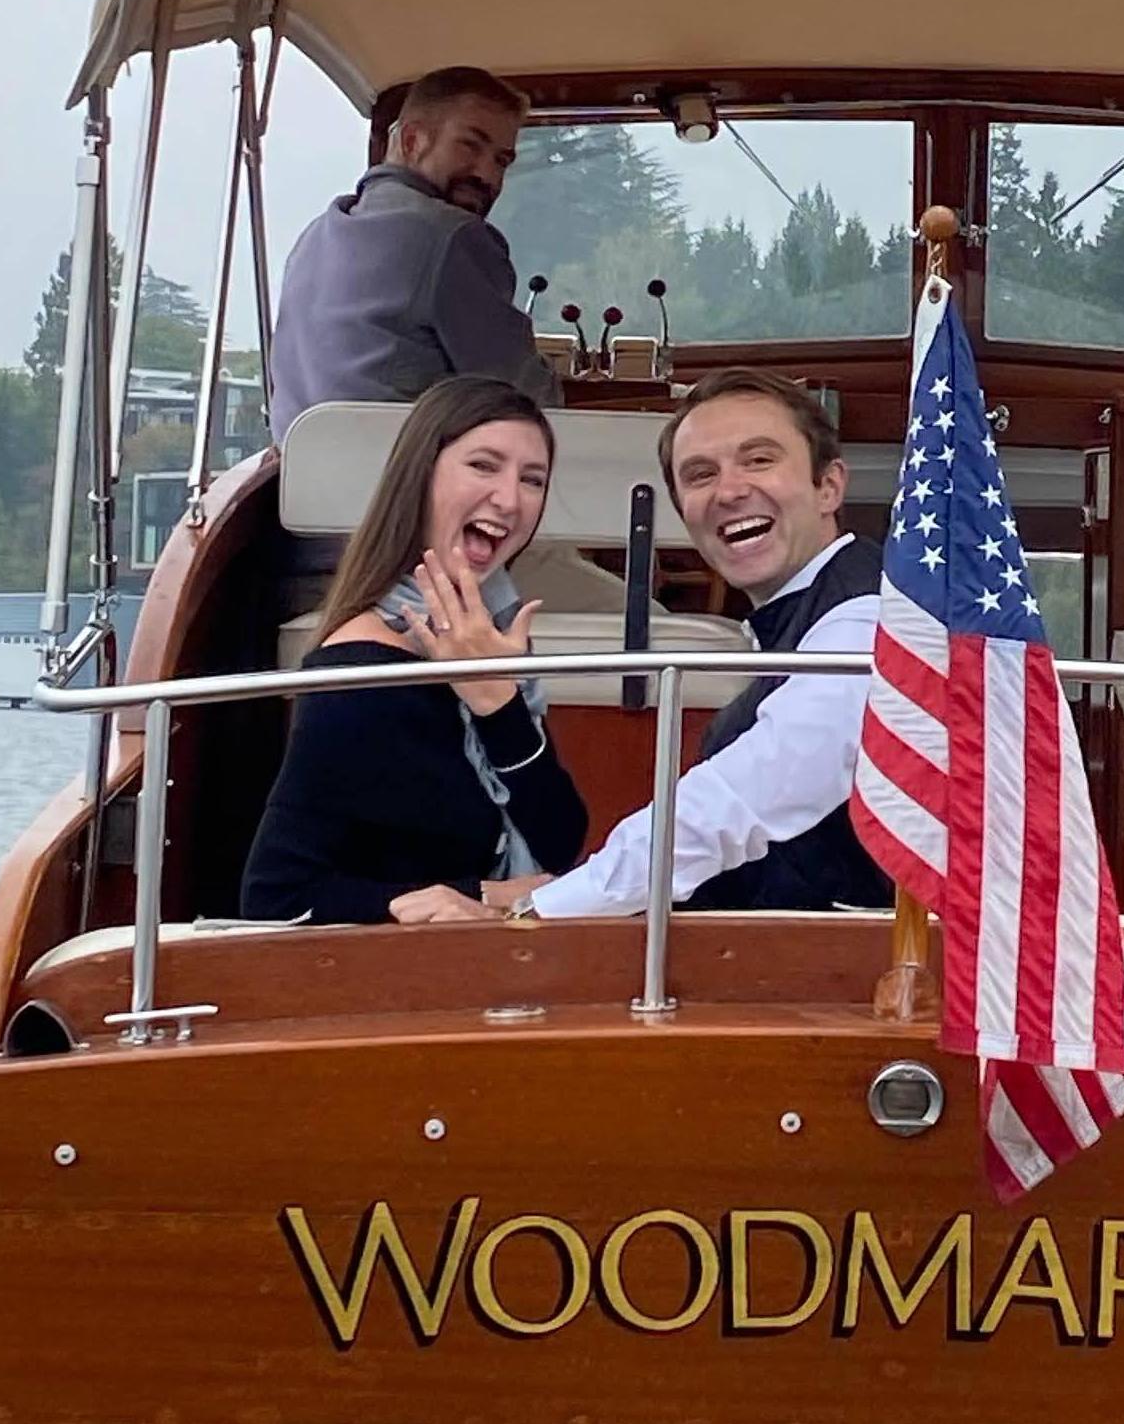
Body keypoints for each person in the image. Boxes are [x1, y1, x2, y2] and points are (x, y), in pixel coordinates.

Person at [506, 370, 891, 921]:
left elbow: (750, 796)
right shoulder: (800, 616)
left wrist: (540, 911)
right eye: (700, 474)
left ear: (828, 487)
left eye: (759, 460)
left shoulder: (866, 617)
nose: (730, 491)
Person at [240, 375, 586, 925]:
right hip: (404, 982)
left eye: (533, 479)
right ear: (420, 477)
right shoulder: (360, 674)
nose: (509, 498)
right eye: (483, 465)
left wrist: (499, 704)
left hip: (505, 955)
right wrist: (472, 892)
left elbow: (561, 838)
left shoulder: (497, 637)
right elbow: (275, 896)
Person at [266, 66, 557, 433]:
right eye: (470, 145)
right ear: (411, 141)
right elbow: (527, 399)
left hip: (297, 481)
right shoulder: (454, 236)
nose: (487, 176)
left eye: (501, 160)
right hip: (403, 480)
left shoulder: (315, 236)